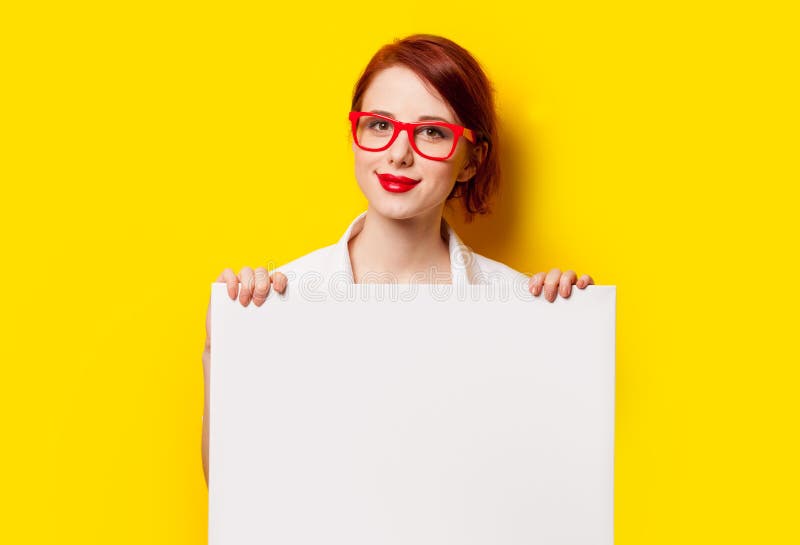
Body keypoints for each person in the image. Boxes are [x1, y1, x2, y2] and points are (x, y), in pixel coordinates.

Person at [201, 34, 595, 485]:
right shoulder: (280, 302)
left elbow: (543, 487)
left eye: (432, 132)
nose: (399, 154)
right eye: (379, 125)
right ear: (355, 134)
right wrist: (223, 350)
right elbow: (234, 492)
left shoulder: (516, 306)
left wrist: (566, 336)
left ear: (471, 160)